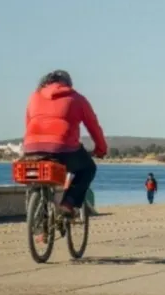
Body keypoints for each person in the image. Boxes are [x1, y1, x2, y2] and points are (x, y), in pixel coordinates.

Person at [23, 70, 107, 215]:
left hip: (32, 147)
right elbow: (93, 126)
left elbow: (28, 123)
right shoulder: (77, 98)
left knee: (37, 178)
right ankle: (68, 203)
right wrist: (101, 149)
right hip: (63, 148)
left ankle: (40, 230)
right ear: (68, 84)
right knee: (88, 168)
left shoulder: (34, 96)